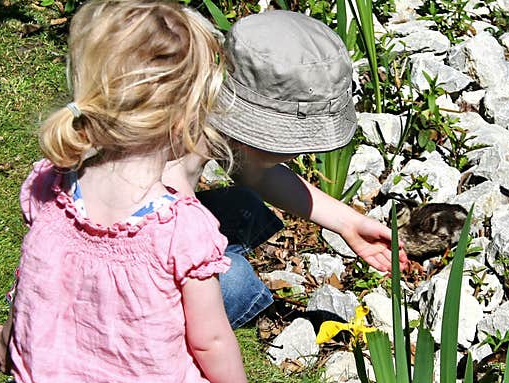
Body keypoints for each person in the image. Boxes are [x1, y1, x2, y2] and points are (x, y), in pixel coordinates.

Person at [0, 0, 274, 383]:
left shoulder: (49, 185)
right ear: (190, 112)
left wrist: (15, 334)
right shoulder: (180, 227)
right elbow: (211, 337)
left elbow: (37, 280)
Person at [161, 9, 408, 328]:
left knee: (245, 207)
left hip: (158, 229)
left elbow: (255, 173)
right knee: (237, 281)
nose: (300, 151)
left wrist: (348, 223)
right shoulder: (167, 166)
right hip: (126, 257)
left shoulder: (203, 114)